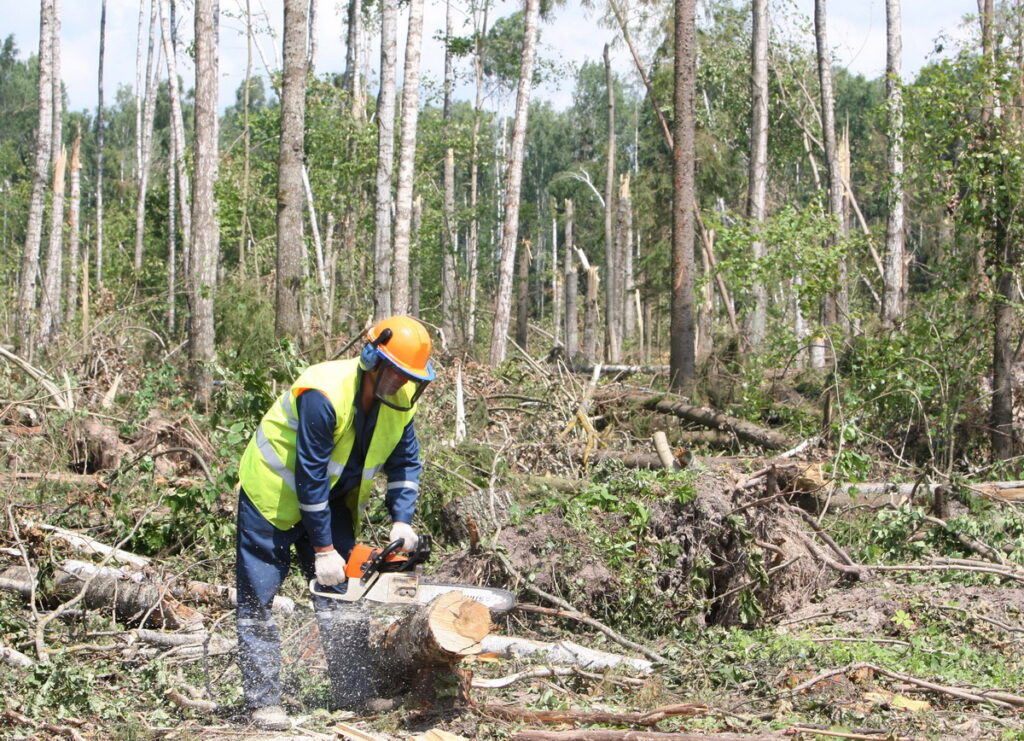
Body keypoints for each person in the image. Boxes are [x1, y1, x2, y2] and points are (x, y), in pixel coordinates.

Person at [234, 315, 435, 731]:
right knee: (258, 597)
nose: (400, 382)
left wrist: (402, 521)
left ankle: (353, 693)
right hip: (271, 496)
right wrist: (323, 549)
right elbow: (309, 475)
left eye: (408, 376)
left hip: (331, 499)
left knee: (345, 592)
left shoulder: (400, 405)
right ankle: (262, 701)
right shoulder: (323, 392)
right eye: (395, 371)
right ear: (371, 358)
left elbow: (406, 463)